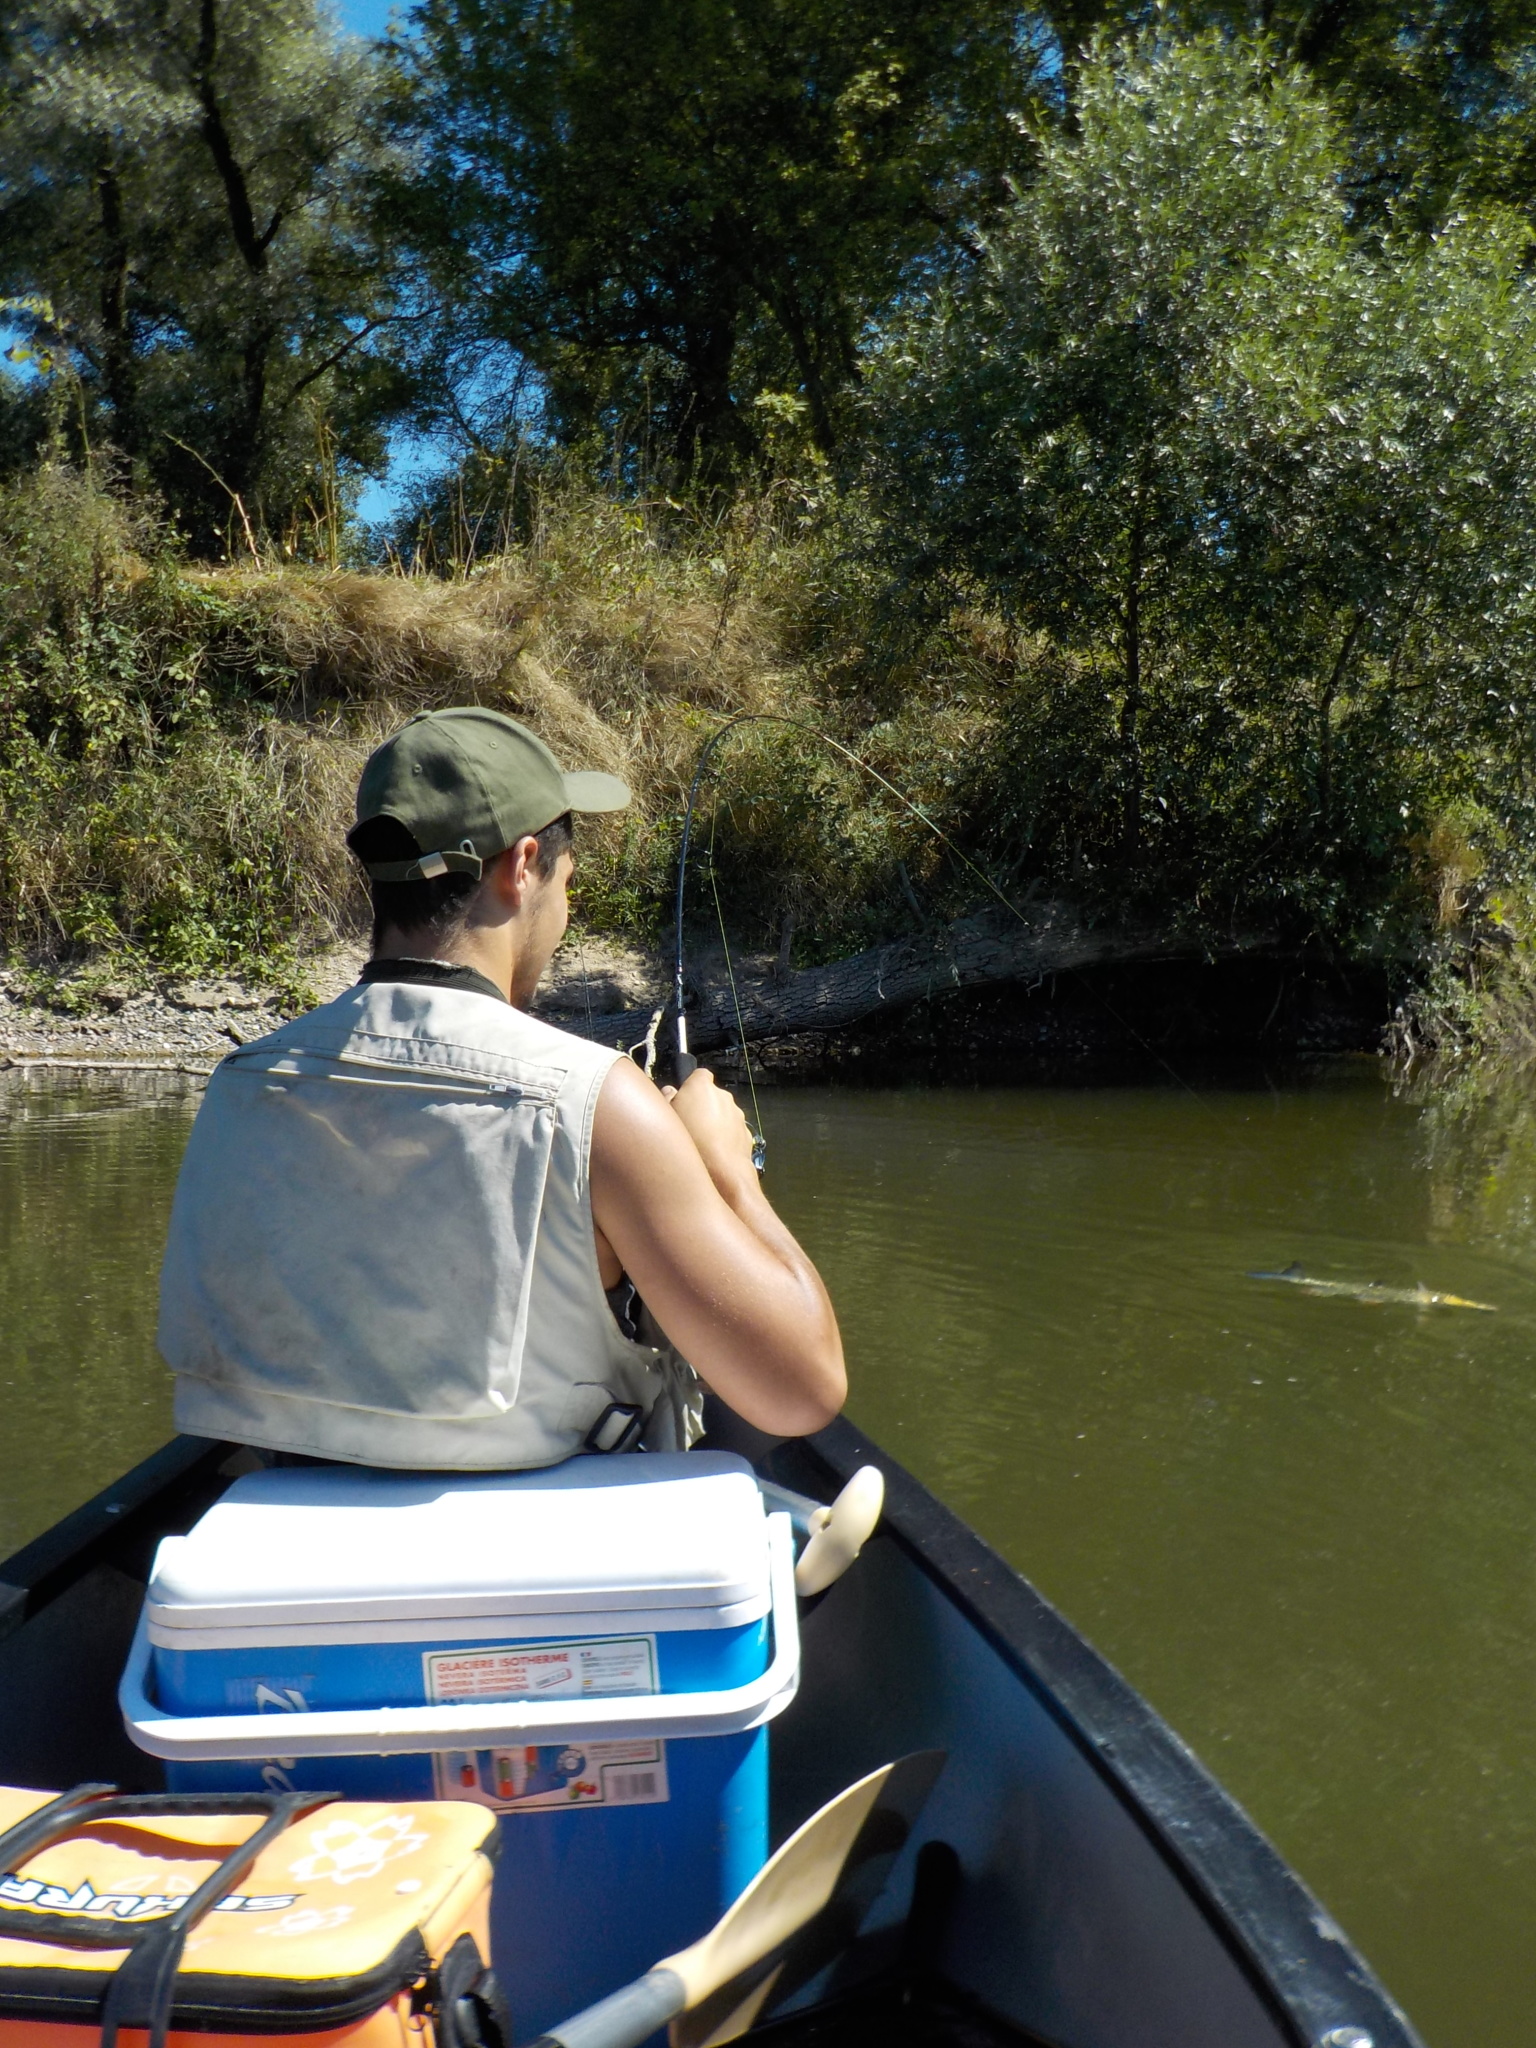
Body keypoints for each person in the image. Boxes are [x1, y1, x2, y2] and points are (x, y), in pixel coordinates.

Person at [157, 706, 846, 1469]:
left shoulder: (240, 1083)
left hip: (284, 1527)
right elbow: (802, 1392)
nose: (565, 910)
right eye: (568, 883)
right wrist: (725, 1171)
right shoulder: (598, 1102)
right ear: (522, 869)